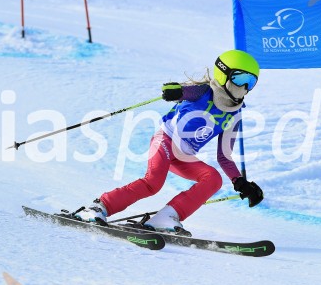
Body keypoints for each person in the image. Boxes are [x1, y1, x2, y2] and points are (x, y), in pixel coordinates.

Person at [76, 50, 265, 236]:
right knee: (153, 183)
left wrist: (240, 182)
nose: (244, 88)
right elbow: (184, 91)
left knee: (213, 178)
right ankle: (99, 207)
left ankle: (167, 217)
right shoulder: (203, 91)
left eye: (251, 82)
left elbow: (224, 156)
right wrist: (175, 91)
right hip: (165, 140)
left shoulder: (235, 114)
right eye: (240, 79)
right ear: (223, 74)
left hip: (184, 155)